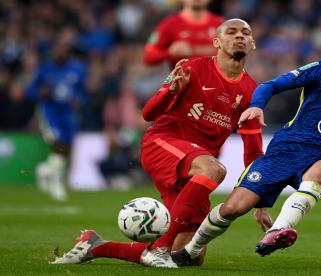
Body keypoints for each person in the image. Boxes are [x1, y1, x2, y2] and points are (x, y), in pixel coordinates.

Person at [172, 24, 321, 265]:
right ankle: (189, 251)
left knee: (320, 172)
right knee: (234, 208)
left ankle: (277, 231)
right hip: (286, 149)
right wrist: (257, 105)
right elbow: (271, 85)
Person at [51, 19, 271, 268]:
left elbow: (253, 150)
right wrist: (171, 91)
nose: (239, 36)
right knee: (214, 170)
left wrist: (261, 202)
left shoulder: (252, 92)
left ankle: (97, 246)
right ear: (216, 42)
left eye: (245, 33)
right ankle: (161, 246)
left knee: (189, 255)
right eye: (231, 32)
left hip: (193, 169)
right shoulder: (192, 68)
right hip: (163, 143)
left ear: (252, 44)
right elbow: (148, 113)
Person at [27, 40, 88, 201]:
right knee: (58, 143)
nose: (60, 54)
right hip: (50, 111)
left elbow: (83, 91)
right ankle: (57, 182)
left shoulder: (78, 69)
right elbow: (30, 90)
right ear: (53, 52)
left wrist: (79, 100)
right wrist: (41, 93)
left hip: (68, 112)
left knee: (67, 147)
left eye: (63, 51)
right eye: (57, 51)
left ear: (68, 53)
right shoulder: (45, 69)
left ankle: (45, 170)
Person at [143, 0, 224, 69]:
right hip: (184, 85)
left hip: (216, 85)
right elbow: (149, 56)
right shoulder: (169, 24)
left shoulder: (220, 24)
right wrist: (170, 52)